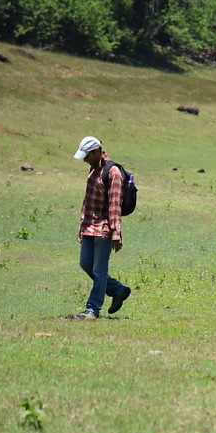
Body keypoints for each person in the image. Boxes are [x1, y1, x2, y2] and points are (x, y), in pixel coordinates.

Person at [73, 136, 132, 320]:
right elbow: (86, 201)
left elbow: (115, 206)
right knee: (85, 263)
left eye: (87, 156)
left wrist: (116, 234)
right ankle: (118, 290)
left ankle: (92, 309)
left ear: (97, 151)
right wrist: (82, 226)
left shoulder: (112, 172)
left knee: (99, 270)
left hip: (104, 229)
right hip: (90, 226)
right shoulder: (93, 169)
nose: (85, 159)